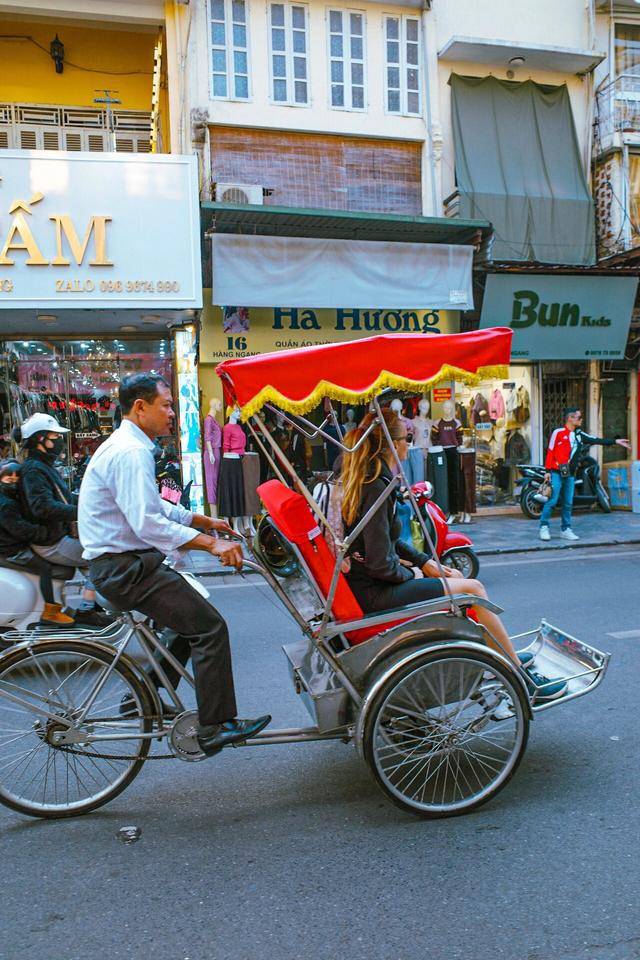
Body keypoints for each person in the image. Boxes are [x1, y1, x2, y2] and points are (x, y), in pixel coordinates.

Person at [77, 372, 271, 756]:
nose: (171, 414)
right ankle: (217, 725)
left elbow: (152, 506)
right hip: (127, 568)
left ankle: (140, 700)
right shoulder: (131, 452)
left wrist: (201, 521)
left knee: (188, 624)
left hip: (125, 564)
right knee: (210, 627)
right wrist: (211, 544)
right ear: (140, 407)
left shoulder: (127, 445)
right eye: (166, 405)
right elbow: (146, 522)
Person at [340, 409, 567, 702]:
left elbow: (390, 541)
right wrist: (416, 574)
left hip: (371, 584)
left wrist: (427, 562)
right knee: (472, 589)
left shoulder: (375, 480)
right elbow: (382, 563)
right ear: (394, 444)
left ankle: (502, 654)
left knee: (457, 577)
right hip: (375, 591)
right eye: (408, 438)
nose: (410, 443)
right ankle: (522, 680)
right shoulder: (376, 487)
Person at [12, 413, 112, 627]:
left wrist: (97, 502)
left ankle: (92, 606)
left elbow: (63, 498)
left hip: (57, 536)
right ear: (40, 440)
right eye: (54, 437)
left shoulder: (43, 467)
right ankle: (86, 609)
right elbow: (43, 508)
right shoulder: (33, 470)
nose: (59, 441)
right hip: (51, 542)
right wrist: (83, 511)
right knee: (104, 553)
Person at [0, 459, 74, 626]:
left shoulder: (11, 498)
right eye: (8, 477)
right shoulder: (6, 504)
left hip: (13, 545)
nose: (13, 479)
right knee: (45, 569)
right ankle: (50, 612)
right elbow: (19, 528)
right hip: (12, 550)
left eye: (16, 477)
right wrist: (43, 533)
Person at [539, 407, 631, 542]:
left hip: (570, 474)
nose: (581, 419)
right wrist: (547, 471)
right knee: (552, 500)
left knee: (568, 503)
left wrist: (615, 441)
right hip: (556, 472)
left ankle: (566, 529)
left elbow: (596, 440)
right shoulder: (557, 433)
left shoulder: (579, 435)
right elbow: (550, 452)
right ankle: (544, 527)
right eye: (579, 417)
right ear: (570, 418)